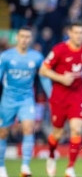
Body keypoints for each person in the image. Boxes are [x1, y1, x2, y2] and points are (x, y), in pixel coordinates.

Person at [39, 21, 82, 177]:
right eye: (76, 33)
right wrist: (61, 78)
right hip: (59, 96)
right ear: (69, 33)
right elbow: (43, 70)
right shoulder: (59, 50)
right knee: (57, 133)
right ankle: (51, 155)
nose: (79, 36)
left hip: (77, 95)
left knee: (77, 129)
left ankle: (70, 168)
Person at [0, 27, 51, 177]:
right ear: (17, 38)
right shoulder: (6, 56)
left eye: (28, 37)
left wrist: (52, 95)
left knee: (29, 128)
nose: (24, 39)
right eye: (22, 36)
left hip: (26, 99)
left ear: (31, 39)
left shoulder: (36, 57)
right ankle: (1, 167)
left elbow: (44, 77)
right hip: (7, 100)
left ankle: (25, 167)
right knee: (2, 133)